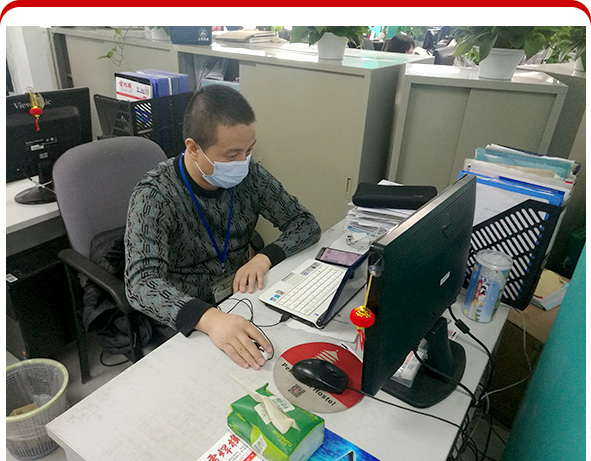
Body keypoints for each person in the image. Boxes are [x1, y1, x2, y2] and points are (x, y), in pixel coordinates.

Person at [124, 84, 321, 370]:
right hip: (188, 310)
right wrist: (210, 319)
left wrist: (265, 258)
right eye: (231, 155)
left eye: (249, 150)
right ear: (194, 148)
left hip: (242, 294)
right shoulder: (155, 195)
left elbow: (304, 223)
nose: (243, 163)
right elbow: (140, 282)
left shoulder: (250, 175)